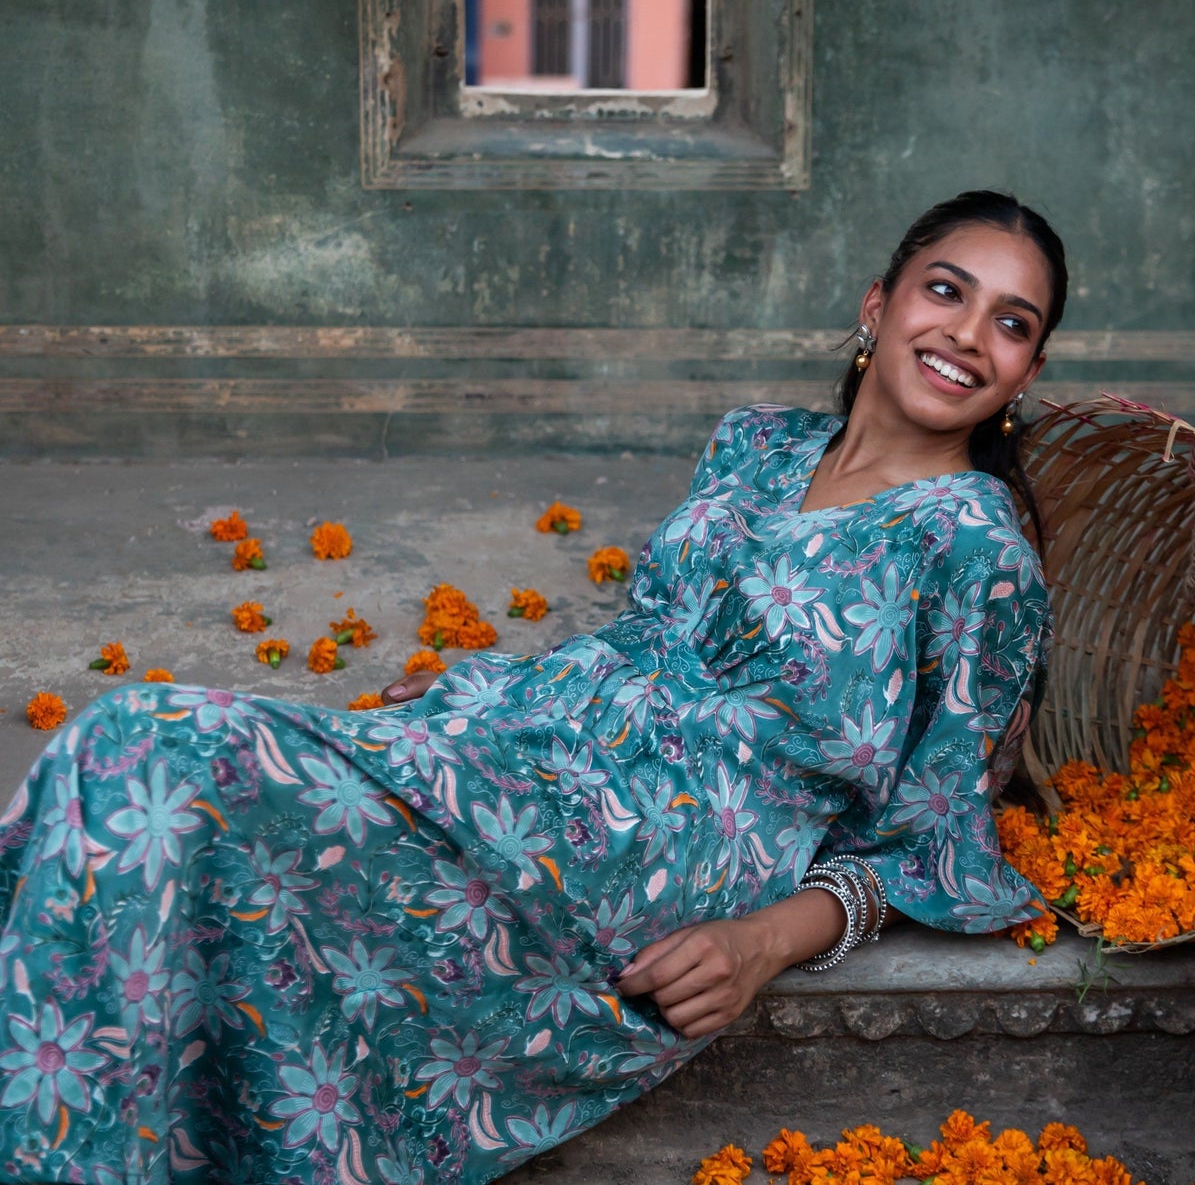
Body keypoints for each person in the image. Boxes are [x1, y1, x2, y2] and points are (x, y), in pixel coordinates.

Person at [0, 189, 1067, 1185]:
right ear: (876, 304)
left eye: (1010, 322)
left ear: (1026, 370)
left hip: (649, 842)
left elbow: (928, 838)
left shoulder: (971, 545)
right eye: (945, 289)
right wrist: (484, 693)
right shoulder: (755, 441)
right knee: (141, 777)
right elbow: (658, 633)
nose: (967, 334)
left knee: (146, 744)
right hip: (538, 740)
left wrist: (759, 941)